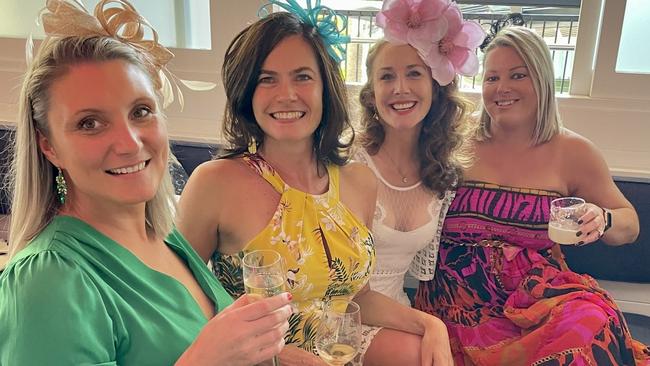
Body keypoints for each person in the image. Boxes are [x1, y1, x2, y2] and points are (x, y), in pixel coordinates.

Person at [0, 1, 292, 365]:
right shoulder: (47, 281)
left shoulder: (165, 236)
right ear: (49, 146)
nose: (129, 143)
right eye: (90, 123)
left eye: (140, 112)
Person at [176, 2, 452, 365]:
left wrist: (431, 325)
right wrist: (284, 357)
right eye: (266, 78)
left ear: (326, 88)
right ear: (246, 93)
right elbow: (179, 307)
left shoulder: (359, 181)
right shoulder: (216, 182)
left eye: (302, 76)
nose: (286, 94)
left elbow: (359, 297)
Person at [415, 16, 650, 365]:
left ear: (542, 80)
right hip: (456, 300)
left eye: (518, 75)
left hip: (537, 297)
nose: (502, 87)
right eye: (492, 77)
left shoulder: (574, 152)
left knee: (591, 323)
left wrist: (604, 218)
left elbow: (630, 225)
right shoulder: (454, 142)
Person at [353, 0, 483, 307]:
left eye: (414, 73)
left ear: (435, 87)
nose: (400, 88)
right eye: (386, 76)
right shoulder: (350, 163)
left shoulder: (443, 174)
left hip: (398, 313)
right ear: (372, 94)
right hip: (344, 319)